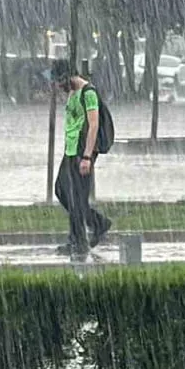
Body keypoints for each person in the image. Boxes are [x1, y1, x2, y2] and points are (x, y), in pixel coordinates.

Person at [50, 60, 112, 261]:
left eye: (60, 81)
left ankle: (78, 242)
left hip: (82, 152)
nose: (58, 86)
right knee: (61, 190)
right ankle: (97, 222)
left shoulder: (88, 93)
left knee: (77, 199)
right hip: (70, 150)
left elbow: (93, 125)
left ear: (69, 77)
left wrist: (87, 156)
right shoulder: (72, 93)